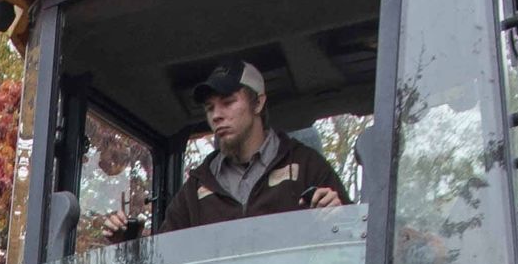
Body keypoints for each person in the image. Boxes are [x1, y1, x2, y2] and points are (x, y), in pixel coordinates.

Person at [107, 57, 344, 240]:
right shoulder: (197, 187)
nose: (217, 116)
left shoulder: (306, 165)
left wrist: (336, 214)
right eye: (210, 108)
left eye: (228, 103)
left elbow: (355, 241)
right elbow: (164, 259)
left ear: (258, 102)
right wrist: (127, 243)